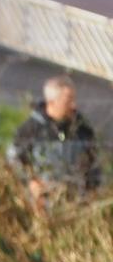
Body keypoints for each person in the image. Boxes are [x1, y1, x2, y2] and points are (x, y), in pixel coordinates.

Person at [7, 77, 101, 213]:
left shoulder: (83, 129)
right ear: (51, 102)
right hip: (42, 205)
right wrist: (31, 182)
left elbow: (94, 164)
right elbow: (14, 159)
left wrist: (93, 191)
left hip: (76, 204)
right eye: (68, 101)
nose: (73, 105)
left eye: (73, 99)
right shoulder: (31, 129)